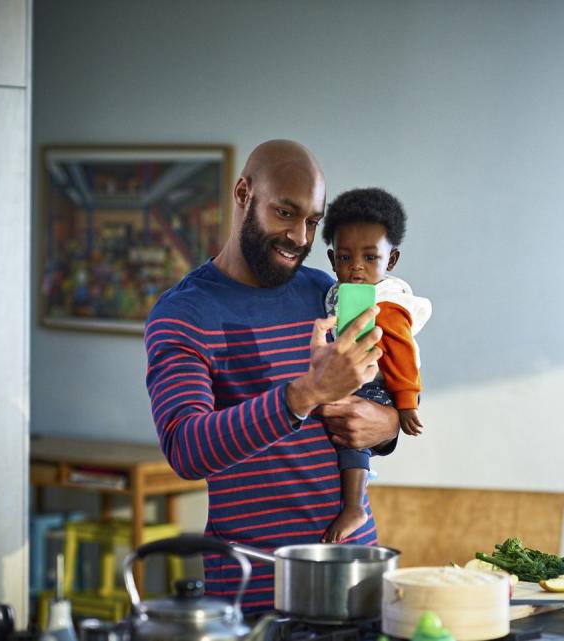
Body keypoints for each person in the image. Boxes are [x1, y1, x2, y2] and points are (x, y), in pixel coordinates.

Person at [143, 140, 401, 612]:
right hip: (256, 582)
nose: (301, 237)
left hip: (354, 569)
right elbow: (185, 448)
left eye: (313, 221)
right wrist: (304, 394)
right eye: (285, 212)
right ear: (244, 193)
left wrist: (388, 426)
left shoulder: (328, 292)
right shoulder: (183, 315)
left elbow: (377, 401)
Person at [319, 188, 432, 542]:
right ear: (331, 257)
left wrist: (406, 402)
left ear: (391, 260)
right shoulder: (337, 291)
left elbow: (402, 352)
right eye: (346, 257)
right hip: (354, 373)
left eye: (370, 257)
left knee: (352, 443)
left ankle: (354, 506)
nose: (356, 267)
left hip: (376, 383)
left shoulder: (386, 302)